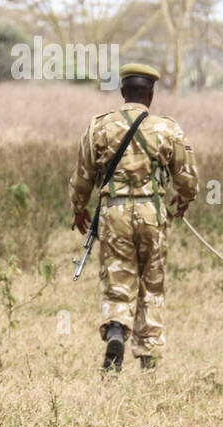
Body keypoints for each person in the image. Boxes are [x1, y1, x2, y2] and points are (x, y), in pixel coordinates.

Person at [68, 63, 198, 372]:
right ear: (151, 94)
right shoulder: (168, 129)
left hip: (114, 214)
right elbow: (188, 178)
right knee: (151, 284)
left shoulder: (99, 127)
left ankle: (116, 331)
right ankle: (149, 359)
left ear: (123, 92)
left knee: (118, 278)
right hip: (152, 214)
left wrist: (79, 208)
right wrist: (184, 199)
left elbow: (82, 177)